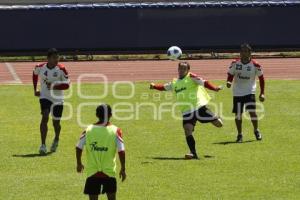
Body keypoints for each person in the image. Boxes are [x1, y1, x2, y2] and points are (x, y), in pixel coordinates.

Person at [150, 61, 223, 159]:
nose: (181, 70)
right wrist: (154, 86)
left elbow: (204, 82)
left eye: (184, 69)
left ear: (188, 70)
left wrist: (214, 88)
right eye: (180, 68)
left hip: (199, 107)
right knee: (187, 130)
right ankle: (193, 153)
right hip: (187, 112)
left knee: (219, 124)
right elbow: (164, 87)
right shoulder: (175, 82)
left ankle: (215, 117)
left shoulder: (191, 77)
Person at [76, 104, 126, 200]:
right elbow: (121, 151)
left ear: (96, 115)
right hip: (109, 172)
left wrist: (79, 163)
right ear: (110, 115)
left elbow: (78, 147)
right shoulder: (116, 131)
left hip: (92, 172)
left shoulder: (88, 130)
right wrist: (123, 168)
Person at [32, 48, 70, 154]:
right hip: (45, 97)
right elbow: (34, 75)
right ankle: (43, 145)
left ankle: (56, 139)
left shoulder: (62, 69)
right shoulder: (40, 67)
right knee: (45, 116)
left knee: (56, 123)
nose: (56, 59)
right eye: (54, 58)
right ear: (48, 58)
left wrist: (53, 86)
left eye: (57, 57)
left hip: (58, 99)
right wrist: (35, 89)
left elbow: (67, 85)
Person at [226, 43, 265, 143]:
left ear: (249, 53)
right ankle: (239, 134)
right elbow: (230, 74)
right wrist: (229, 81)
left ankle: (256, 130)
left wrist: (262, 93)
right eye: (242, 51)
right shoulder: (235, 63)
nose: (243, 53)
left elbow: (261, 79)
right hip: (237, 92)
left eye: (245, 51)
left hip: (249, 91)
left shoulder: (255, 65)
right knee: (238, 115)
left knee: (252, 112)